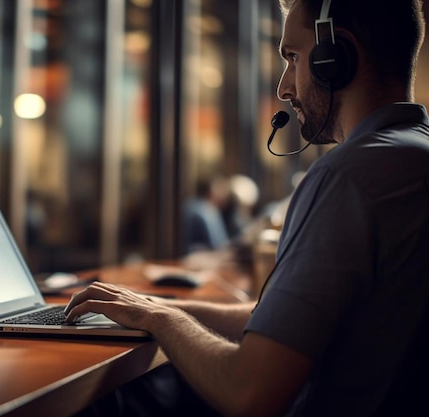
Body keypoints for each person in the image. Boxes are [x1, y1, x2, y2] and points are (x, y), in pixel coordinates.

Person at [66, 0, 429, 416]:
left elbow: (248, 394)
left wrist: (163, 322)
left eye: (293, 57)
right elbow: (277, 324)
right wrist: (153, 307)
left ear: (335, 57)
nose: (283, 87)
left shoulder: (348, 176)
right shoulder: (412, 155)